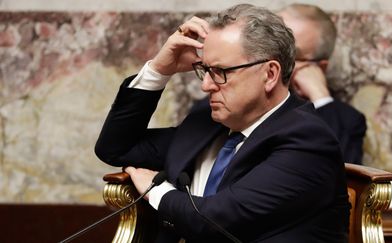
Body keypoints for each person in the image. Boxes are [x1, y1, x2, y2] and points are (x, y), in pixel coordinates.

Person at [95, 4, 349, 243]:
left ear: (269, 74)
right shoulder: (207, 121)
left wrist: (158, 191)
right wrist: (160, 70)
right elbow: (115, 148)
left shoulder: (308, 139)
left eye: (221, 72)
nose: (206, 85)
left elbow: (214, 222)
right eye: (205, 70)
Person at [278, 4, 367, 164]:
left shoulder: (348, 122)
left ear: (319, 67)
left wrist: (320, 96)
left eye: (291, 55)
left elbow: (343, 179)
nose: (274, 63)